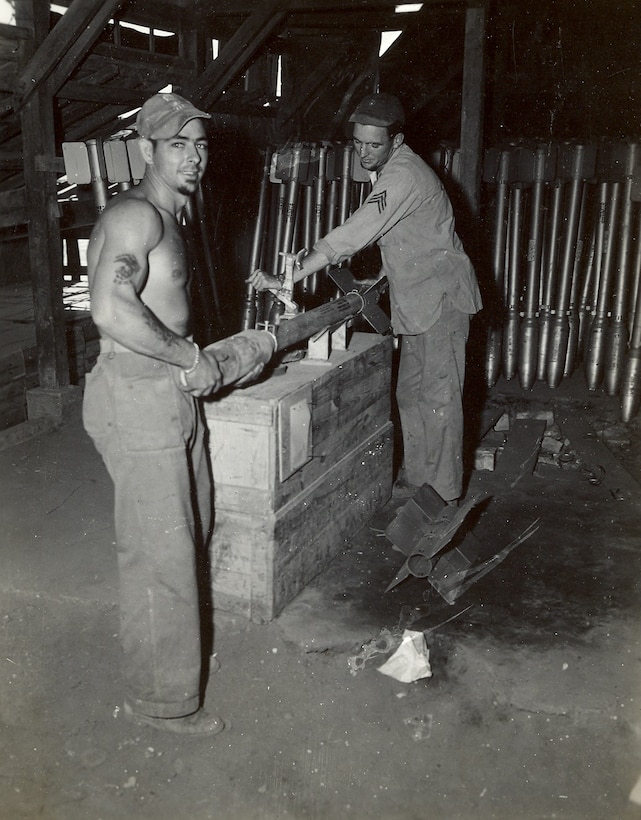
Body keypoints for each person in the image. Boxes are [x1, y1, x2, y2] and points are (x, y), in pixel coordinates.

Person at [82, 92, 269, 734]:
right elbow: (108, 308)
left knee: (191, 526)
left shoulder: (170, 215)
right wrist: (189, 356)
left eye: (201, 145)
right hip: (138, 390)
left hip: (166, 390)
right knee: (160, 549)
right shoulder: (138, 218)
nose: (194, 158)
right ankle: (159, 699)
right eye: (177, 146)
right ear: (146, 150)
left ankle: (173, 652)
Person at [249, 93, 482, 503]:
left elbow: (359, 230)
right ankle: (417, 478)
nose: (364, 152)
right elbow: (405, 237)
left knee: (439, 400)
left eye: (374, 145)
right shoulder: (390, 168)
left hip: (442, 301)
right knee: (411, 393)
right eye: (358, 143)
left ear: (397, 140)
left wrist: (289, 274)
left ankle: (442, 498)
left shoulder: (404, 175)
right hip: (417, 302)